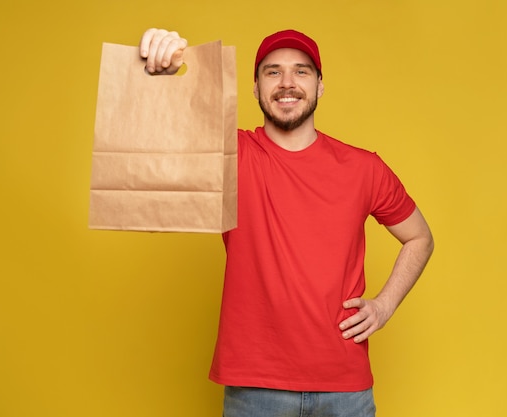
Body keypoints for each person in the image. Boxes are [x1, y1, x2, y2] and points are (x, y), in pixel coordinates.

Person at [139, 28, 434, 417]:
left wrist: (384, 306)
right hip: (255, 388)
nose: (287, 83)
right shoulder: (231, 154)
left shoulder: (364, 168)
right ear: (256, 87)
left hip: (345, 388)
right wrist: (162, 74)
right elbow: (160, 139)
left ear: (320, 85)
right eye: (273, 72)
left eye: (302, 71)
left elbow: (419, 238)